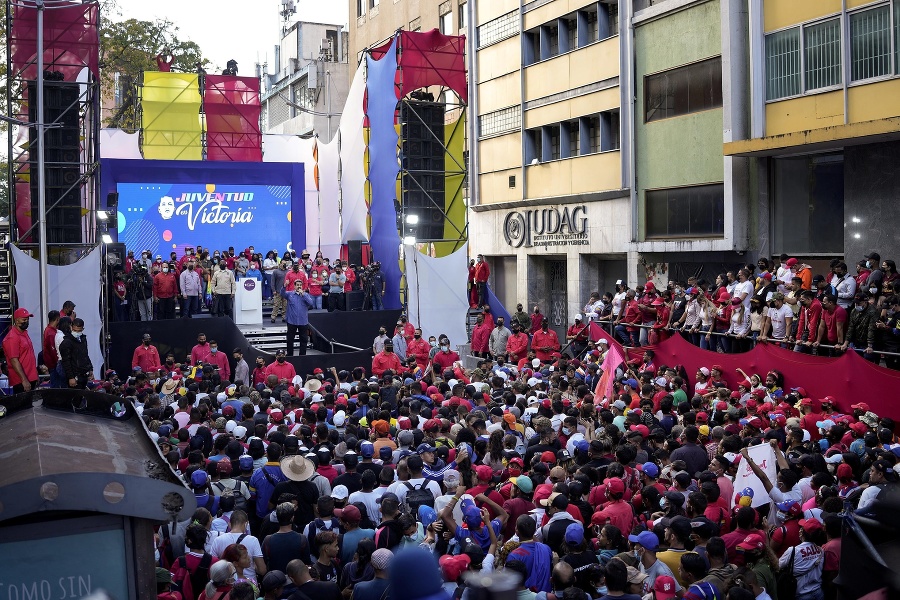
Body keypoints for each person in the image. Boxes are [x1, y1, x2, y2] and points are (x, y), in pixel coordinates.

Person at [4, 307, 38, 393]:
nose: (27, 321)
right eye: (24, 319)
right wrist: (24, 380)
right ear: (17, 320)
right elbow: (14, 360)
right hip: (21, 381)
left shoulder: (24, 333)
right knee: (23, 406)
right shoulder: (12, 337)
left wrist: (35, 375)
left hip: (30, 377)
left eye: (27, 319)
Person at [281, 280, 315, 356]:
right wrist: (284, 286)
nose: (299, 286)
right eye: (297, 285)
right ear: (294, 286)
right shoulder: (290, 294)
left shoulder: (305, 295)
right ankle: (290, 354)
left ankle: (302, 355)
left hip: (303, 322)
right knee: (290, 339)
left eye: (300, 285)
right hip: (291, 321)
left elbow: (311, 303)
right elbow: (282, 293)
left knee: (304, 340)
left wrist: (303, 294)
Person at [59, 318, 93, 389]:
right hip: (74, 376)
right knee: (74, 398)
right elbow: (66, 361)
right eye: (75, 330)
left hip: (83, 374)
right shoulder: (67, 342)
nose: (77, 333)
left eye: (79, 331)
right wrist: (71, 377)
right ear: (71, 327)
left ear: (82, 329)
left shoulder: (83, 339)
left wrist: (90, 369)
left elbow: (85, 355)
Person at [43, 310, 61, 388]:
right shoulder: (51, 333)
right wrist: (58, 363)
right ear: (57, 319)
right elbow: (53, 350)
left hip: (52, 364)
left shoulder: (48, 330)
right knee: (56, 388)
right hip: (54, 365)